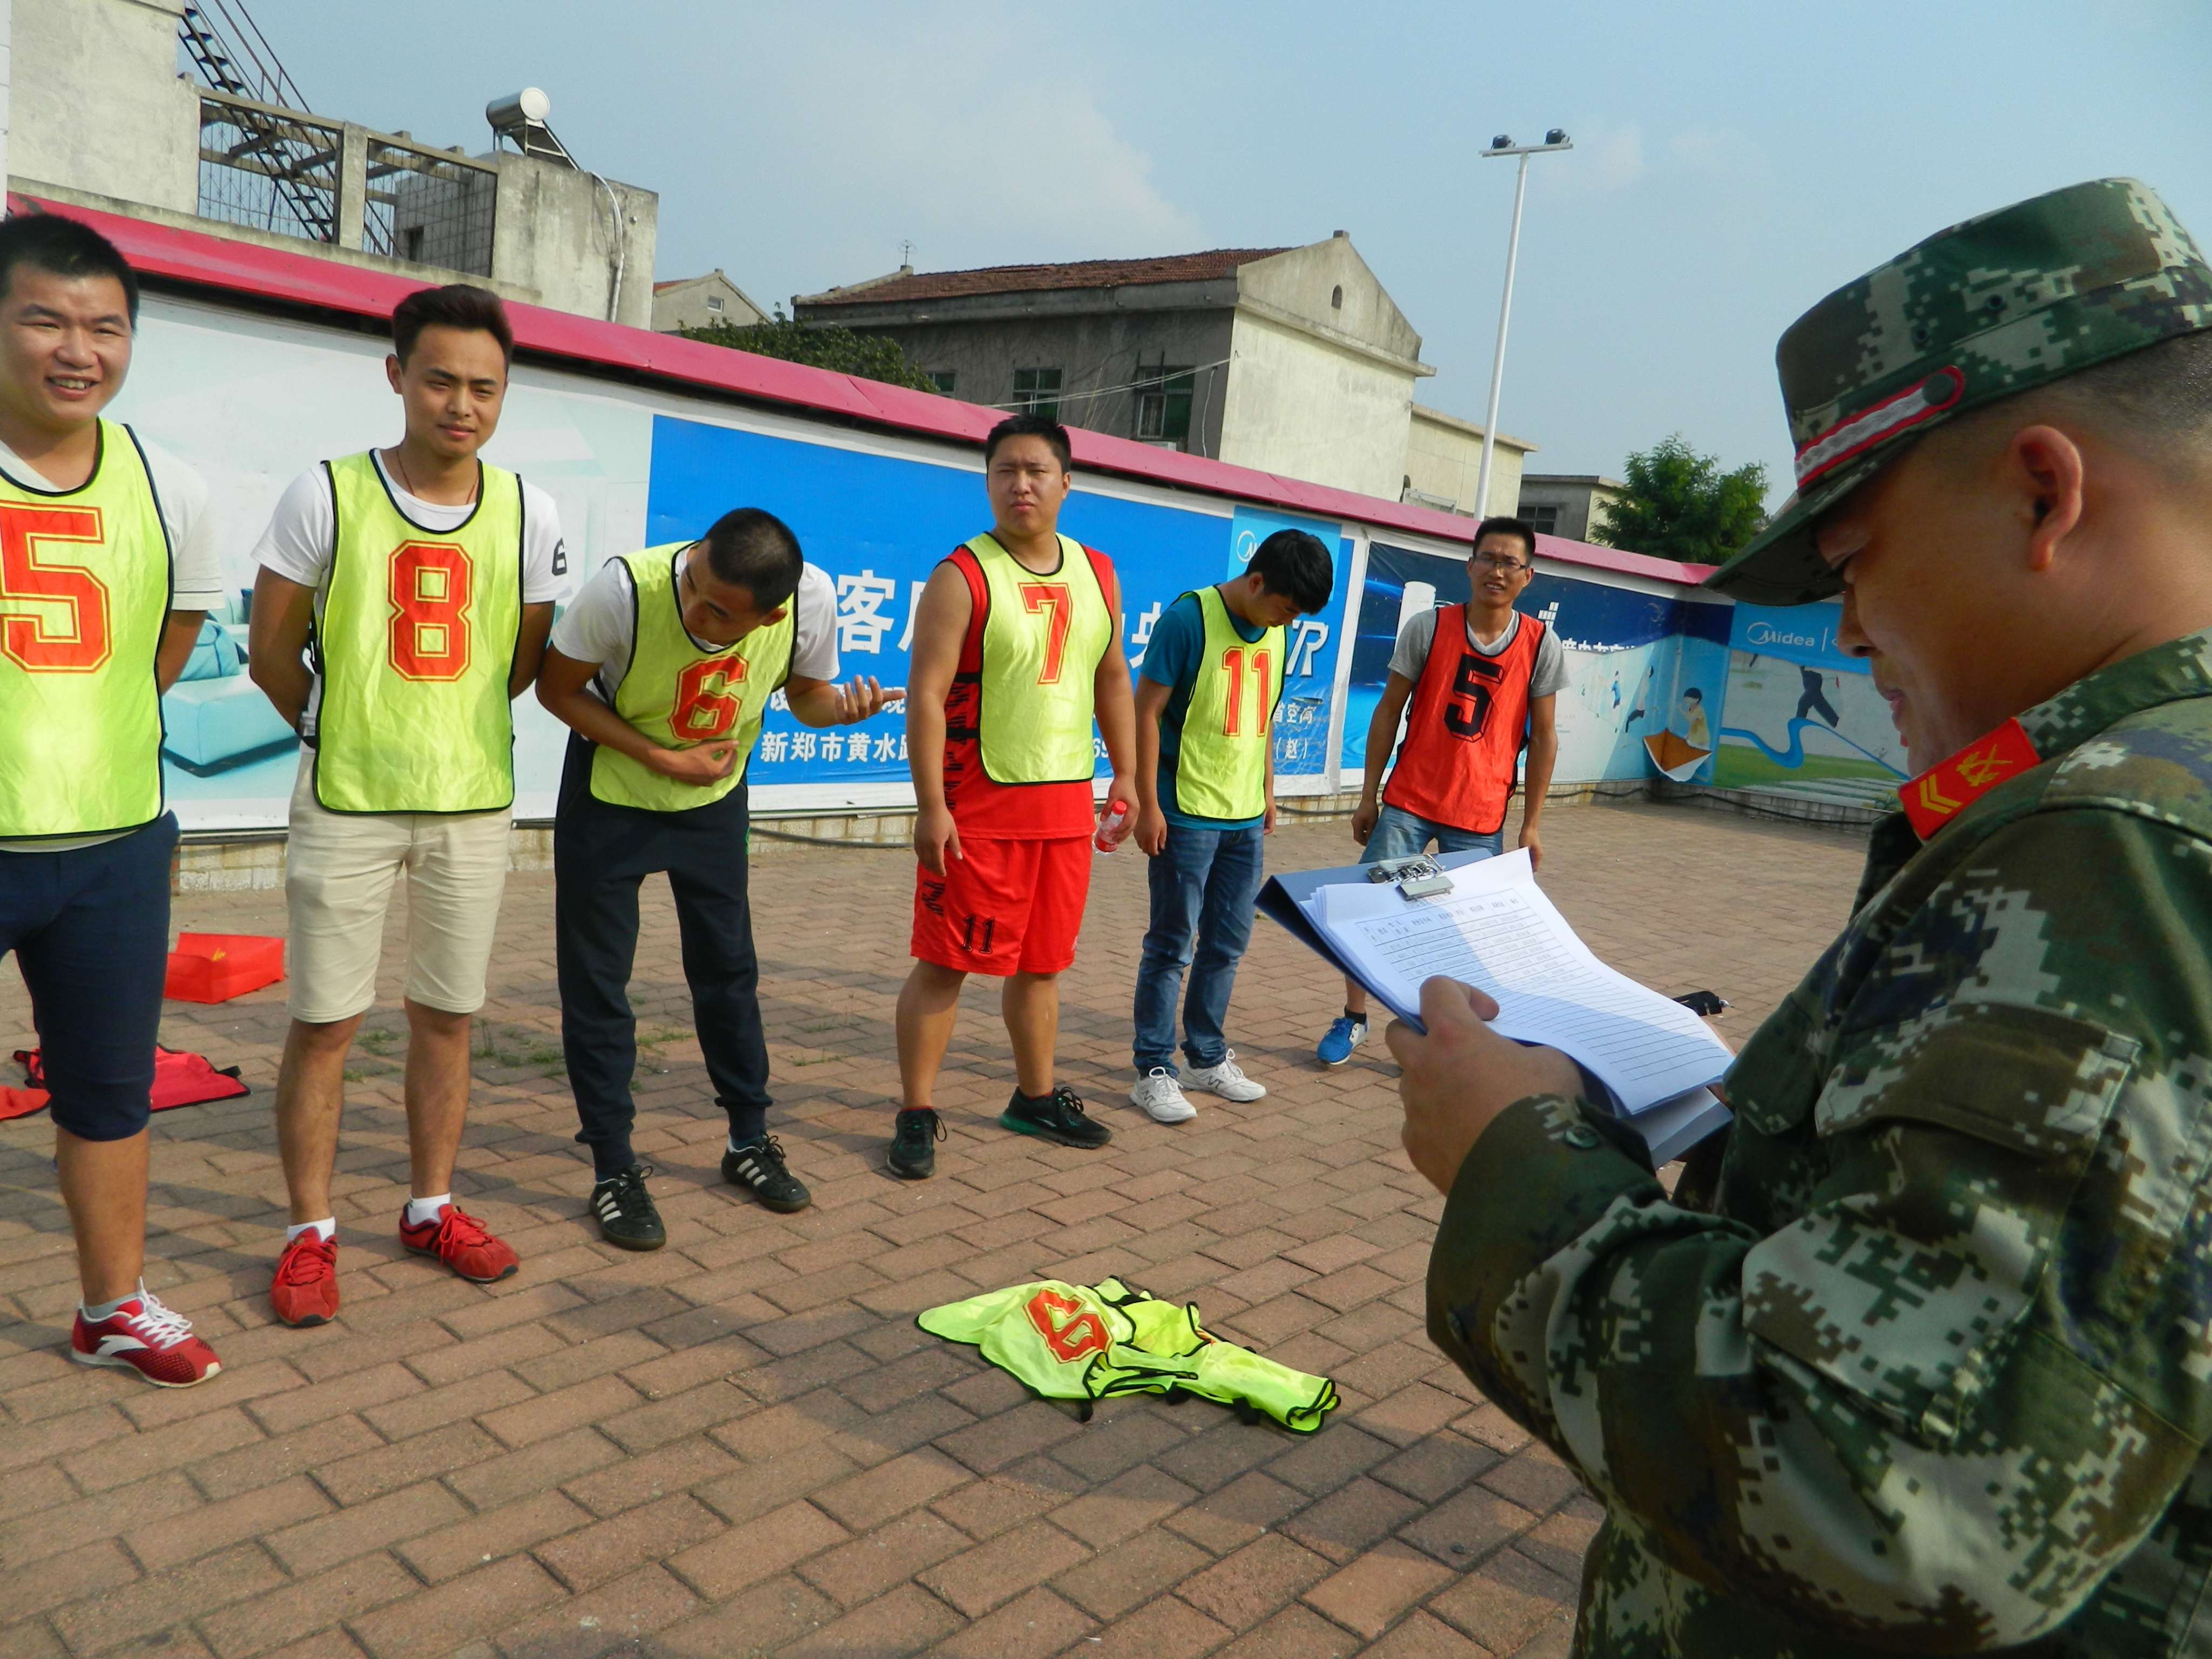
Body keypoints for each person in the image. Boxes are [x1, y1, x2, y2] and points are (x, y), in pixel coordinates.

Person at [1395, 178, 2212, 1655]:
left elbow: (1894, 1494)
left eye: (1852, 565)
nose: (1843, 632)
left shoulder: (2118, 846)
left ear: (2045, 491)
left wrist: (1513, 1156)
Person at [248, 284, 564, 1327]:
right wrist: (344, 729)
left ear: (504, 392)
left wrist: (438, 735)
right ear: (397, 376)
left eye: (483, 386)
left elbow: (518, 663)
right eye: (440, 379)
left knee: (448, 1017)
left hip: (472, 805)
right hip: (347, 802)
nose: (460, 404)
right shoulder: (327, 493)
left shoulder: (529, 510)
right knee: (326, 1022)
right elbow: (271, 652)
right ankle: (309, 1230)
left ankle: (430, 1205)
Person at [535, 509, 897, 1247]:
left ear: (768, 618)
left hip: (713, 800)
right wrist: (662, 757)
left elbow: (805, 699)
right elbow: (557, 691)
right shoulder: (624, 591)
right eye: (695, 587)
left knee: (728, 972)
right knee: (599, 985)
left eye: (722, 613)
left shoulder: (808, 602)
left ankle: (747, 1140)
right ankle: (612, 1166)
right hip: (612, 800)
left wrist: (847, 711)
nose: (696, 611)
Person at [0, 214, 225, 1386]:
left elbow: (164, 644)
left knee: (108, 1091)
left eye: (104, 326)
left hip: (113, 850)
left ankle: (110, 1308)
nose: (76, 349)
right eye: (44, 318)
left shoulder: (165, 482)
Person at [887, 413, 1136, 1179]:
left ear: (1066, 483)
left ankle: (1034, 1096)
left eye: (1035, 471)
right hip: (978, 809)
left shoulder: (1098, 571)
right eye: (1005, 472)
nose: (1020, 485)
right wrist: (932, 805)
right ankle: (917, 1111)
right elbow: (925, 696)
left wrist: (1126, 774)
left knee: (1041, 966)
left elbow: (1110, 675)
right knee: (947, 964)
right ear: (989, 482)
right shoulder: (962, 575)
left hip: (1064, 810)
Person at [1316, 517, 1563, 1067]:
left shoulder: (1540, 643)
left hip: (1479, 814)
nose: (1497, 571)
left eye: (1510, 563)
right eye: (1488, 559)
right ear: (1469, 564)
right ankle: (1353, 1017)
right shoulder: (1428, 628)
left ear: (1528, 576)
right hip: (1409, 802)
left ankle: (1449, 1033)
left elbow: (1544, 738)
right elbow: (1388, 711)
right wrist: (1368, 794)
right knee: (1370, 909)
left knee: (1465, 932)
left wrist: (1532, 823)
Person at [1127, 530, 1333, 1123]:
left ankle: (1206, 1055)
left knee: (1226, 944)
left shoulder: (1279, 630)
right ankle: (1154, 1069)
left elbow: (1263, 717)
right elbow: (1145, 712)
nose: (1288, 620)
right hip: (1185, 812)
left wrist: (1267, 791)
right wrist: (1148, 802)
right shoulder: (1188, 620)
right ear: (1257, 581)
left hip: (1243, 818)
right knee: (1171, 945)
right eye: (1287, 607)